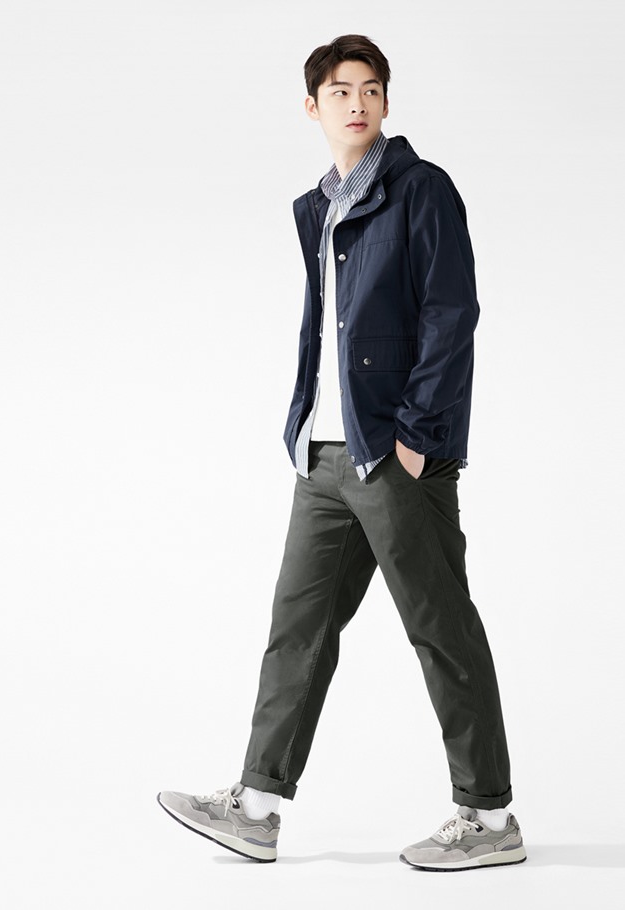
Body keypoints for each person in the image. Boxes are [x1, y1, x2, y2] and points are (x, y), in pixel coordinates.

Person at [157, 33, 526, 872]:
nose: (355, 104)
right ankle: (256, 809)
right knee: (297, 631)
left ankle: (489, 815)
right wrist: (301, 424)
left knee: (439, 629)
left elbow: (452, 314)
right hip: (323, 456)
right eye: (339, 91)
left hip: (394, 455)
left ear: (386, 102)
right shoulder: (318, 206)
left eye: (369, 90)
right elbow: (330, 329)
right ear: (313, 106)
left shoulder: (421, 190)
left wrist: (416, 439)